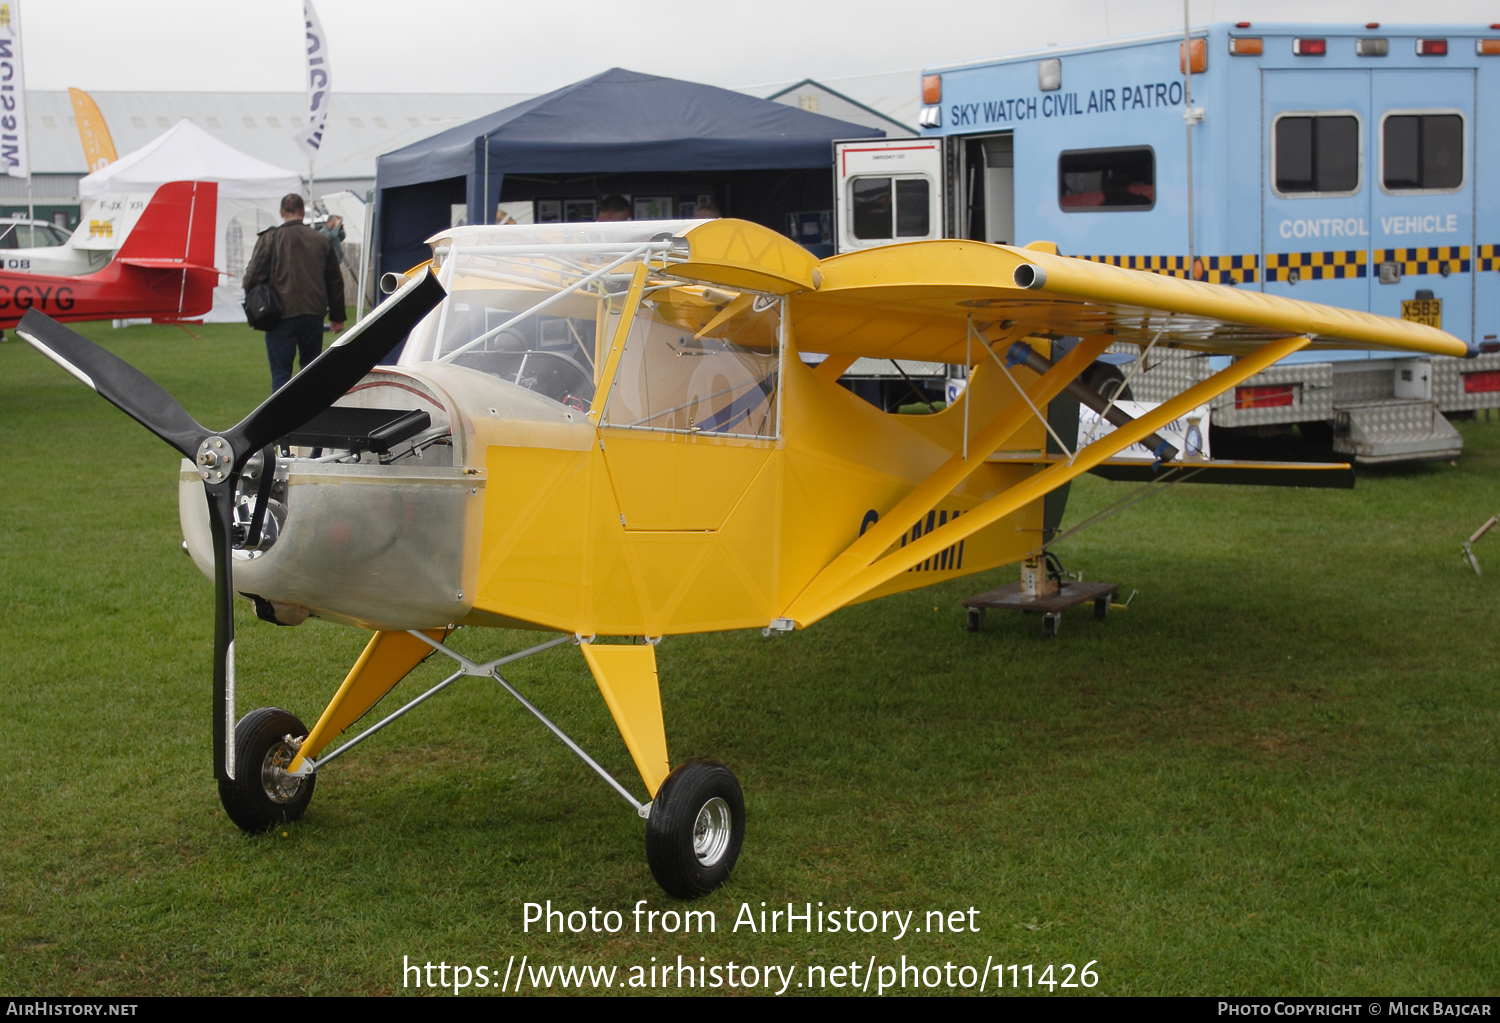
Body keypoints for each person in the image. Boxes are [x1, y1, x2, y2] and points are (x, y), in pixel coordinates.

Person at [244, 194, 346, 392]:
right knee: (310, 374)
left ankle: (282, 420)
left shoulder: (269, 238)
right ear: (302, 212)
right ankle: (309, 418)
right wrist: (337, 317)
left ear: (282, 213)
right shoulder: (321, 240)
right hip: (313, 315)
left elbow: (251, 278)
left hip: (280, 314)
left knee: (281, 375)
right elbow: (334, 281)